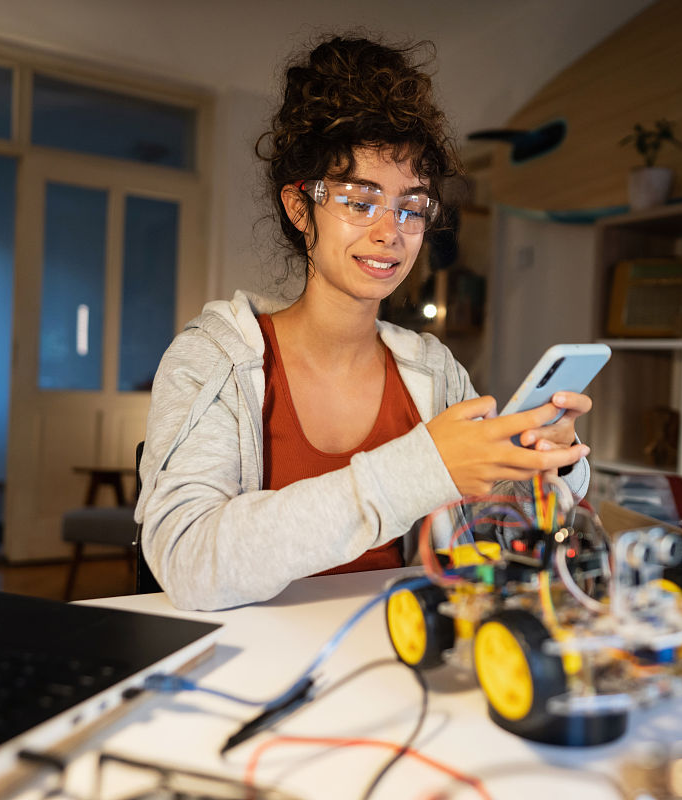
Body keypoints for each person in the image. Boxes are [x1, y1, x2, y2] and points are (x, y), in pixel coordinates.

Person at [136, 35, 592, 611]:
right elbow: (188, 561)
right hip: (252, 655)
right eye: (359, 201)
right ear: (299, 207)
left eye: (411, 207)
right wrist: (422, 468)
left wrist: (546, 465)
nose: (389, 232)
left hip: (396, 648)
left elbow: (492, 533)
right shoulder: (214, 360)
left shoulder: (434, 373)